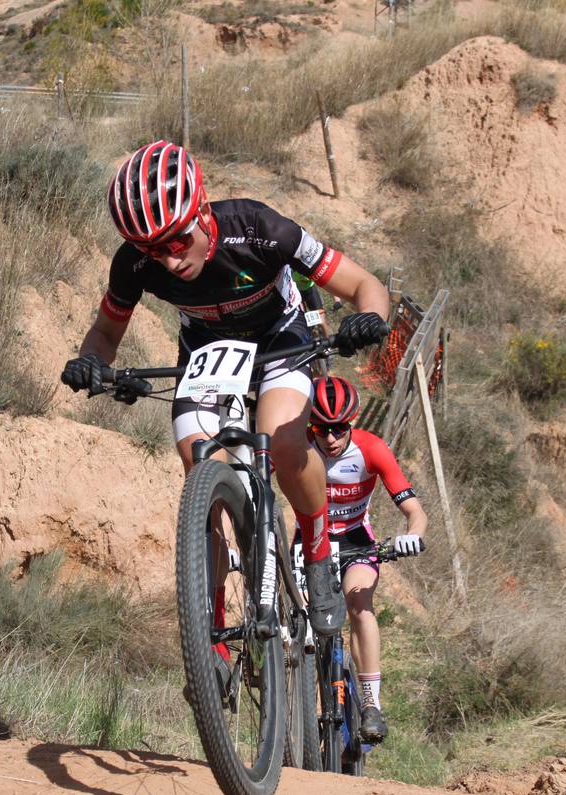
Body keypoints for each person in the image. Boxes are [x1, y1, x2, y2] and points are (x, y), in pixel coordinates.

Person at [60, 141, 392, 637]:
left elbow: (364, 284)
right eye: (153, 250)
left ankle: (319, 555)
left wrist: (370, 318)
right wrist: (92, 363)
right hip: (207, 355)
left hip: (280, 341)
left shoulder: (259, 229)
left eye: (176, 241)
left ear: (201, 209)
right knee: (201, 471)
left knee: (282, 442)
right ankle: (209, 638)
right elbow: (106, 334)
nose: (169, 262)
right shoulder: (133, 264)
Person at [302, 375, 427, 742]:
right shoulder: (301, 448)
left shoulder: (372, 449)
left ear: (351, 423)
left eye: (339, 429)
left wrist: (412, 536)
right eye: (320, 428)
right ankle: (297, 702)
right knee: (299, 617)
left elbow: (415, 511)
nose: (330, 438)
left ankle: (371, 704)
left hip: (357, 540)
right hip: (311, 540)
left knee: (359, 605)